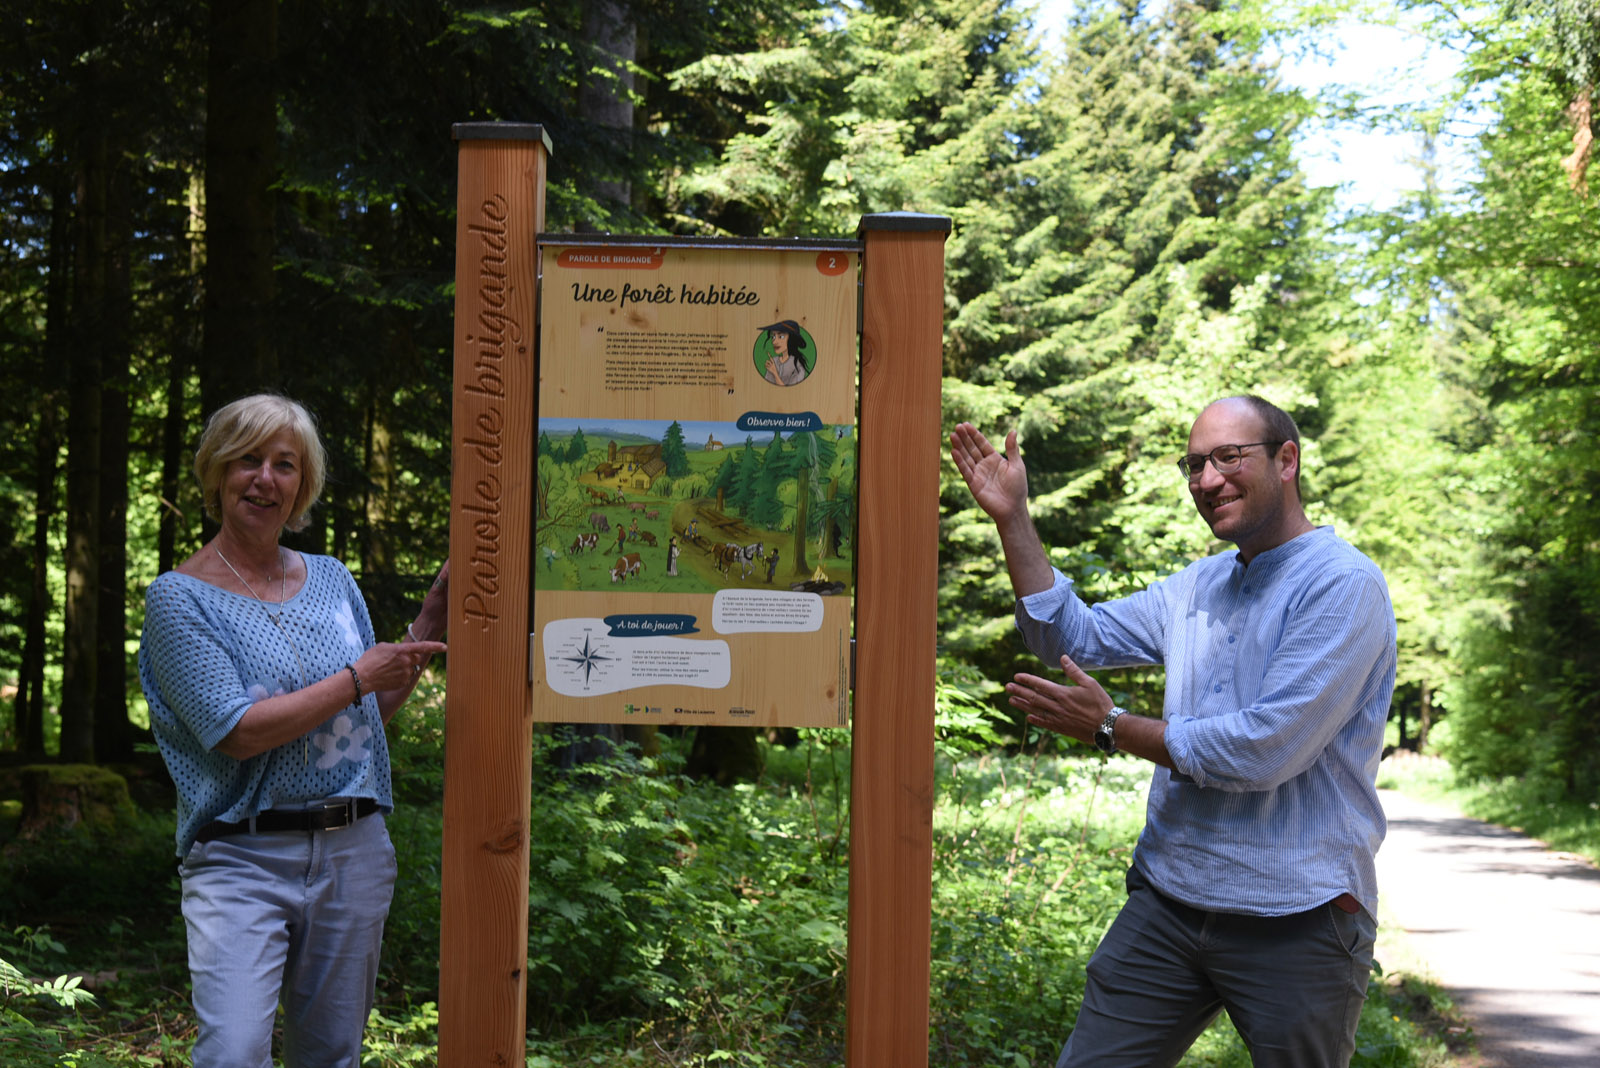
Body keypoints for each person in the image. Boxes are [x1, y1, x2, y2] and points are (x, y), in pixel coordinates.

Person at [950, 395, 1396, 1068]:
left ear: (1287, 460)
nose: (1205, 480)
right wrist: (1013, 519)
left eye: (1228, 457)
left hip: (1298, 916)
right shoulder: (1197, 586)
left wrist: (1111, 726)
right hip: (1171, 902)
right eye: (1194, 464)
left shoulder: (1343, 586)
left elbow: (1262, 749)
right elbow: (1068, 636)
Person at [138, 394, 449, 1068]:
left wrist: (428, 624)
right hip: (240, 860)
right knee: (234, 1051)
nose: (265, 478)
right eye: (248, 460)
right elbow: (238, 732)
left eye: (285, 465)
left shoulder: (333, 580)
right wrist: (360, 676)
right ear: (217, 472)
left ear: (301, 486)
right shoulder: (178, 597)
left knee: (333, 1055)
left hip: (354, 850)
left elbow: (360, 720)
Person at [759, 320, 810, 386]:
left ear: (791, 339)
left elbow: (791, 391)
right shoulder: (774, 361)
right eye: (773, 337)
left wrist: (775, 373)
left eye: (781, 336)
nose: (774, 342)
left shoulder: (798, 365)